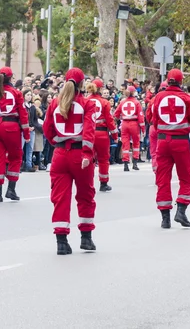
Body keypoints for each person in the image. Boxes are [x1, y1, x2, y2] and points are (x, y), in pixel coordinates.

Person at [43, 68, 96, 255]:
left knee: (60, 198)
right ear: (82, 84)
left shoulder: (55, 103)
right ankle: (86, 239)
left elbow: (47, 129)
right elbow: (89, 132)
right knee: (86, 196)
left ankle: (61, 242)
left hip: (59, 155)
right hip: (79, 154)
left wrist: (58, 143)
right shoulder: (87, 103)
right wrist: (87, 154)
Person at [153, 69, 190, 228]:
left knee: (162, 178)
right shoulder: (187, 99)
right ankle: (181, 210)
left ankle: (165, 218)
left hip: (163, 142)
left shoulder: (158, 97)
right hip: (181, 143)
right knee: (186, 176)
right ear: (181, 81)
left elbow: (154, 120)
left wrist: (163, 133)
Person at [0, 67, 29, 202]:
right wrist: (26, 134)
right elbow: (23, 115)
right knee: (15, 157)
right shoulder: (16, 93)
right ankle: (11, 189)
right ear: (10, 78)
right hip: (11, 127)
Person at [87, 79, 118, 191]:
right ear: (101, 89)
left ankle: (87, 183)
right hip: (102, 134)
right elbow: (110, 121)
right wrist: (115, 136)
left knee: (88, 158)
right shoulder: (105, 102)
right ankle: (103, 184)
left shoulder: (85, 101)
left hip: (88, 134)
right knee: (103, 159)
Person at [114, 85, 145, 171]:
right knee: (136, 143)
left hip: (124, 124)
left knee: (125, 144)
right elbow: (141, 117)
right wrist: (143, 128)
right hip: (134, 124)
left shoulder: (122, 102)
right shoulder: (137, 102)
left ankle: (125, 164)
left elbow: (116, 114)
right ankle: (135, 162)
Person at [146, 81, 167, 173]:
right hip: (163, 127)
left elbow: (148, 115)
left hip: (152, 127)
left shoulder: (152, 100)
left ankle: (156, 171)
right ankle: (162, 172)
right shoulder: (169, 99)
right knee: (163, 152)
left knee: (154, 151)